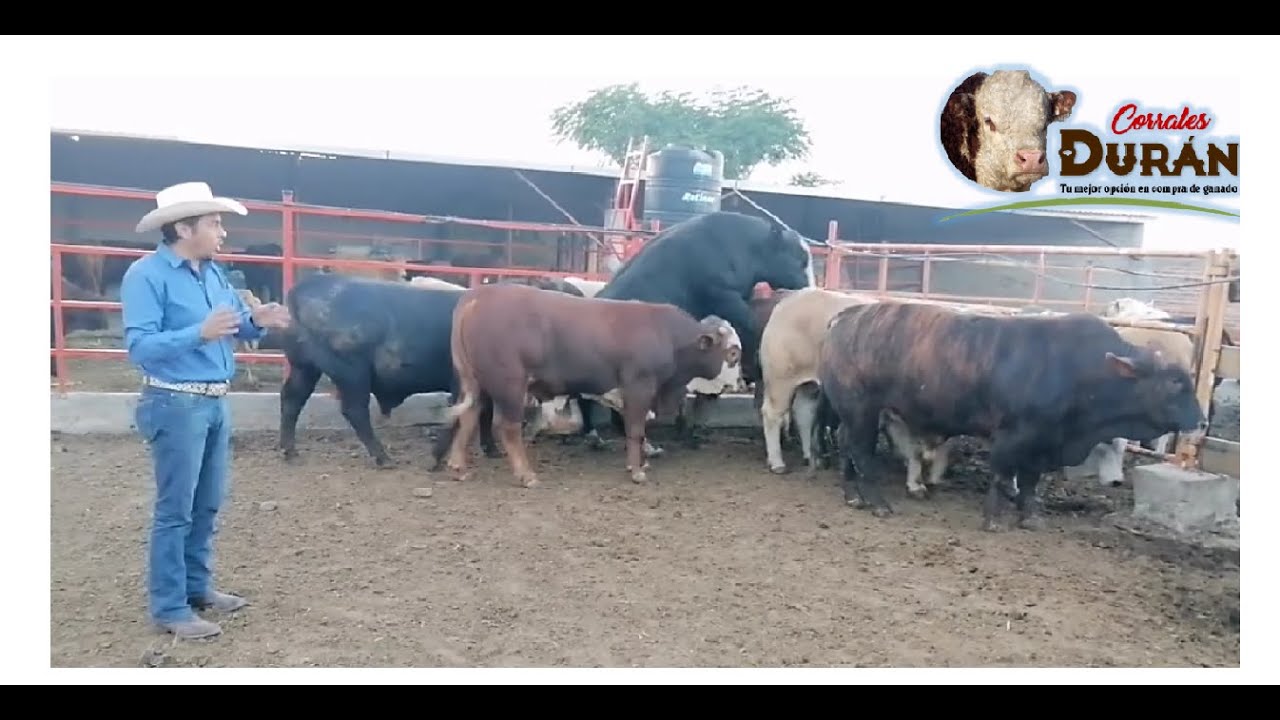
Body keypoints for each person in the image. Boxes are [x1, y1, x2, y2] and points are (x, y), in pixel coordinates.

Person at [120, 182, 292, 639]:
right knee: (175, 508)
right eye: (214, 223)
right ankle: (170, 607)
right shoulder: (146, 275)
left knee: (207, 503)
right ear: (182, 227)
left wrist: (260, 321)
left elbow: (237, 328)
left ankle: (196, 588)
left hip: (213, 400)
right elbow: (139, 346)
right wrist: (199, 333)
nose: (222, 233)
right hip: (174, 400)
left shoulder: (215, 275)